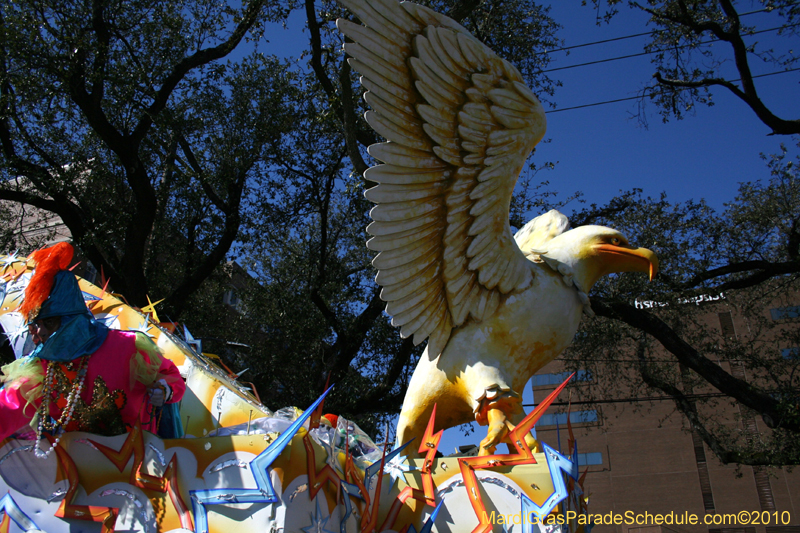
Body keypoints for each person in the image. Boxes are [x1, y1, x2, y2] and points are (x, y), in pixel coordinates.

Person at [0, 242, 185, 457]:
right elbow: (9, 408)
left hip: (136, 467)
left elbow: (171, 377)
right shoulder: (42, 368)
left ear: (70, 319)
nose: (38, 332)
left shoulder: (128, 347)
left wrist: (165, 390)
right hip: (77, 473)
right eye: (35, 325)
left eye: (48, 323)